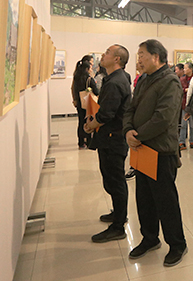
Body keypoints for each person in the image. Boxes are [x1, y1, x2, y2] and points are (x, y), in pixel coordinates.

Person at [123, 39, 187, 266]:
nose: (138, 59)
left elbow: (163, 117)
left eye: (142, 54)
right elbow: (130, 108)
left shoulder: (170, 81)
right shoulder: (144, 79)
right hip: (142, 150)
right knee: (144, 198)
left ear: (156, 57)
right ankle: (150, 238)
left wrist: (137, 136)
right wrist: (128, 130)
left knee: (165, 201)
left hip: (160, 151)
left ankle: (177, 244)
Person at [85, 45, 132, 243]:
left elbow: (106, 114)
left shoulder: (115, 82)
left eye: (107, 53)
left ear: (117, 59)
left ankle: (118, 226)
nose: (103, 55)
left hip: (113, 139)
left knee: (115, 180)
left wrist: (90, 125)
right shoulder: (118, 78)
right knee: (111, 179)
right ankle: (118, 214)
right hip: (112, 137)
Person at [70, 55, 99, 149]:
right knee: (89, 121)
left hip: (79, 102)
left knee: (81, 121)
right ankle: (89, 141)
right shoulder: (89, 79)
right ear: (87, 68)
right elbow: (96, 91)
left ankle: (81, 142)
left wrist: (75, 99)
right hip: (88, 103)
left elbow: (73, 89)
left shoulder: (76, 77)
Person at [178, 62, 193, 150]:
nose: (184, 70)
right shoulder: (182, 79)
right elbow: (179, 90)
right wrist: (185, 90)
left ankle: (192, 141)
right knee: (183, 124)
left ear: (191, 69)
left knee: (192, 125)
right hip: (185, 104)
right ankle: (181, 142)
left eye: (185, 68)